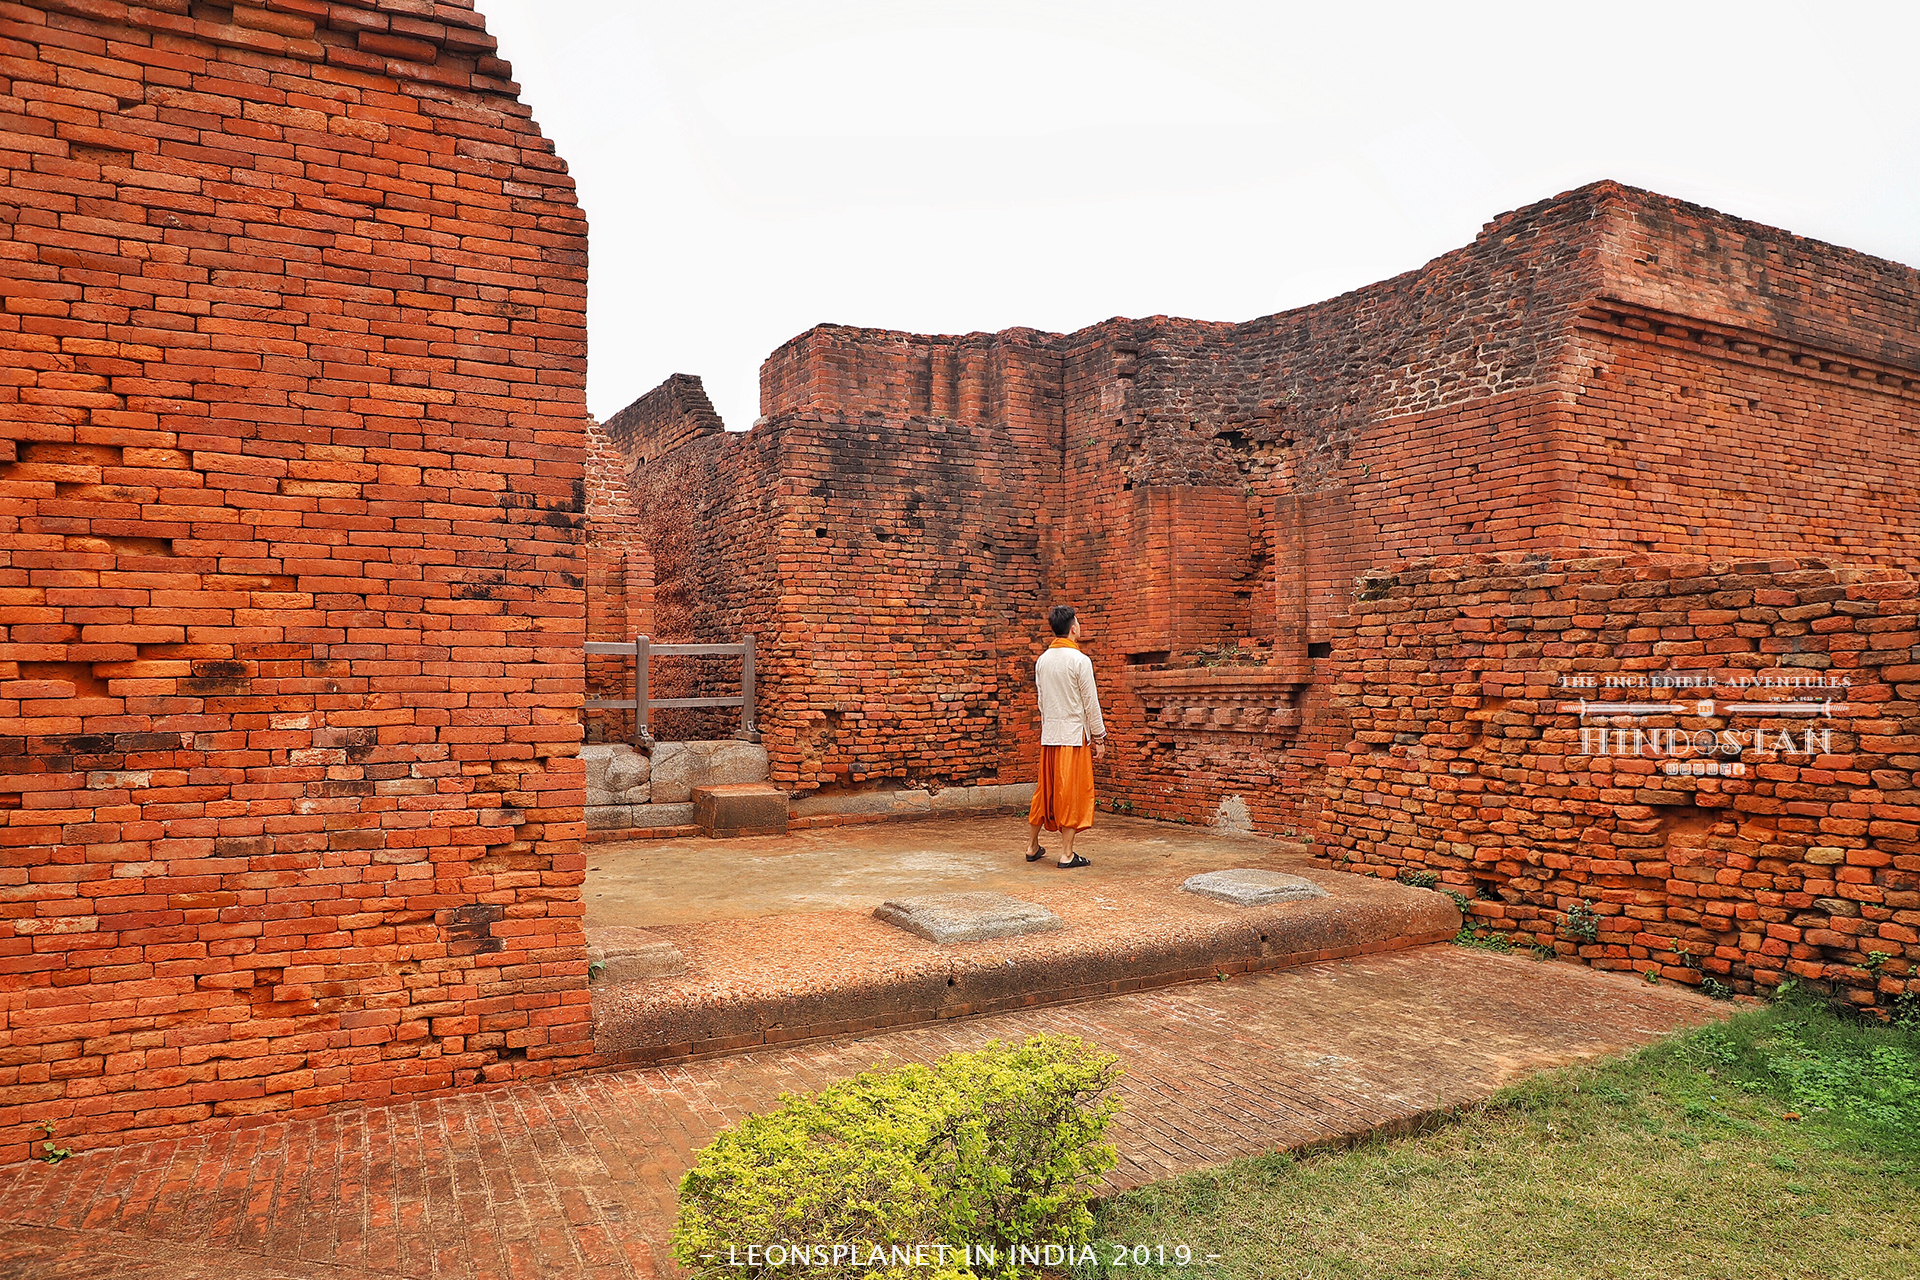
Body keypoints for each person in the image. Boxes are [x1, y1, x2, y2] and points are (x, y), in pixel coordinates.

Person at [1025, 604, 1106, 868]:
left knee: (1045, 791)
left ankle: (1032, 845)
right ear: (1073, 628)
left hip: (1050, 735)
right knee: (1070, 793)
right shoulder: (1080, 661)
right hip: (1073, 736)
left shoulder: (1043, 661)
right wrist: (1100, 737)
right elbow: (1090, 702)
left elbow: (1041, 701)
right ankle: (1067, 853)